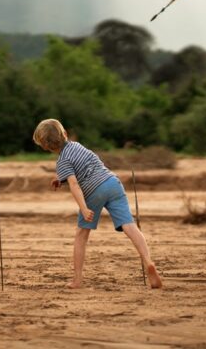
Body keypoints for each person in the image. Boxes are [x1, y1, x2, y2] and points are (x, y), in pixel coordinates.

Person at [33, 118, 163, 290]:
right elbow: (83, 166)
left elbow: (75, 184)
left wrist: (84, 207)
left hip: (94, 192)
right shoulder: (77, 146)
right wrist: (60, 179)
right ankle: (148, 262)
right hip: (112, 182)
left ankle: (77, 280)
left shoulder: (62, 162)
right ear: (64, 134)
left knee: (81, 234)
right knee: (129, 225)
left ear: (45, 146)